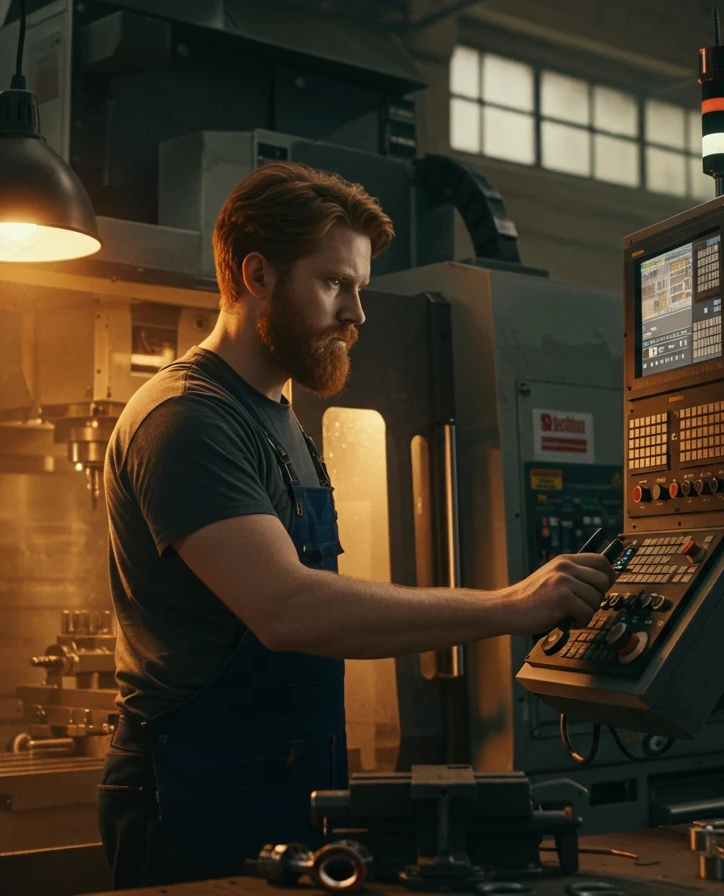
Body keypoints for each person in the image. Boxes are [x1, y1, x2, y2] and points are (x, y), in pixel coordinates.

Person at [96, 162, 614, 888]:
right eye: (336, 283)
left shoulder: (280, 422)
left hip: (287, 783)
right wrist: (511, 605)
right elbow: (288, 609)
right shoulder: (186, 420)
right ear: (257, 276)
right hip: (195, 795)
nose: (358, 316)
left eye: (361, 289)